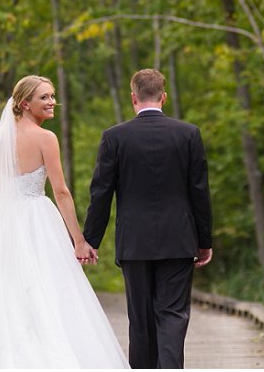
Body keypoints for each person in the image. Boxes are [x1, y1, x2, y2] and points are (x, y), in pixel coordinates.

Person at [0, 75, 129, 368]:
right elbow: (61, 191)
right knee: (49, 288)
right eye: (44, 97)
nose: (52, 102)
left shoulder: (0, 140)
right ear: (25, 103)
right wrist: (79, 240)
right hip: (36, 219)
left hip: (3, 220)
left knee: (9, 292)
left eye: (52, 95)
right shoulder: (46, 138)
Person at [83, 68, 213, 369]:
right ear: (163, 97)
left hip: (135, 243)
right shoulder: (188, 134)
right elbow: (199, 192)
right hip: (179, 240)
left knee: (140, 321)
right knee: (173, 316)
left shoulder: (114, 137)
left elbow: (100, 193)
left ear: (133, 97)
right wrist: (204, 240)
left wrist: (91, 240)